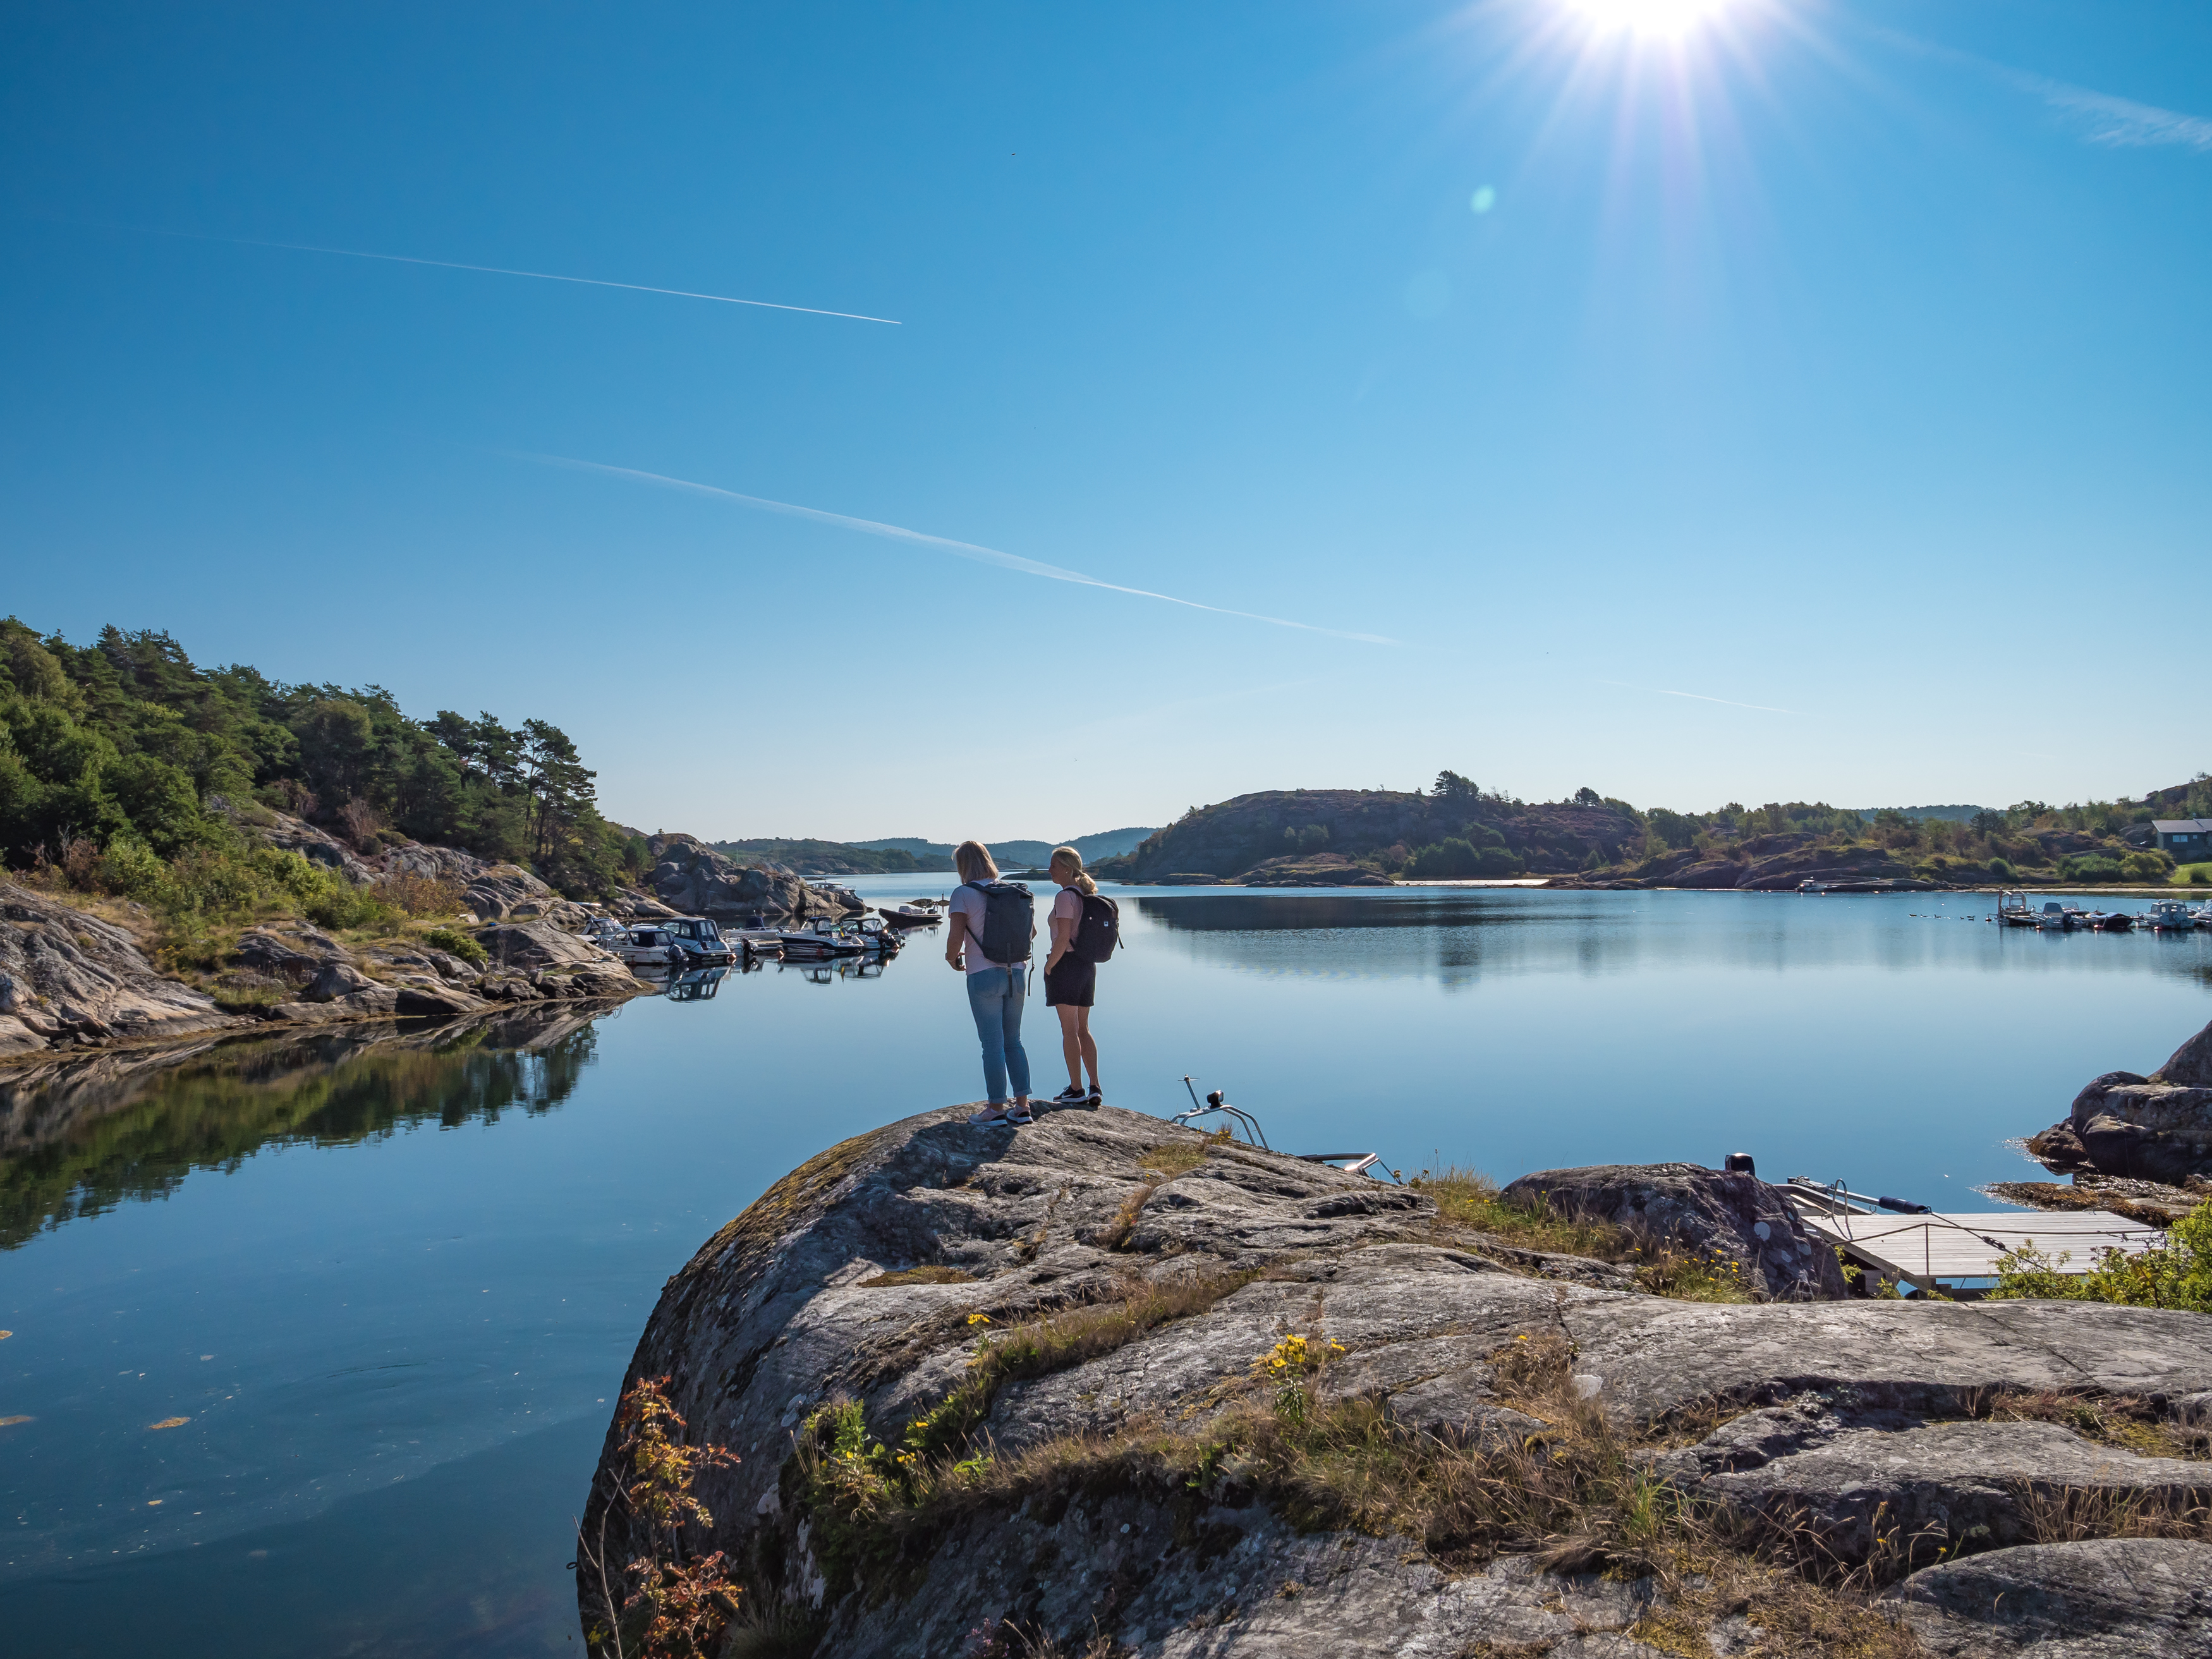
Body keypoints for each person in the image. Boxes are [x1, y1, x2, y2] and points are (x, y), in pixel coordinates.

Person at [946, 840, 1033, 1125]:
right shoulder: (1015, 892)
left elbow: (955, 938)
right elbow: (1030, 933)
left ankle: (996, 1108)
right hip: (1017, 973)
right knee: (1014, 1041)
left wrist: (953, 958)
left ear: (963, 865)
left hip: (983, 976)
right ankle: (1022, 1106)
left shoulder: (963, 893)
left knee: (992, 1044)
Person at [1042, 846, 1104, 1109]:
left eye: (1054, 865)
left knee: (1069, 1031)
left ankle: (1076, 1090)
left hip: (1066, 966)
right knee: (1083, 1029)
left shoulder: (1065, 897)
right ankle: (1095, 1087)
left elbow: (1063, 938)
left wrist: (1049, 966)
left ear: (1067, 868)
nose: (1049, 870)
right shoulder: (1084, 894)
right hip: (1086, 967)